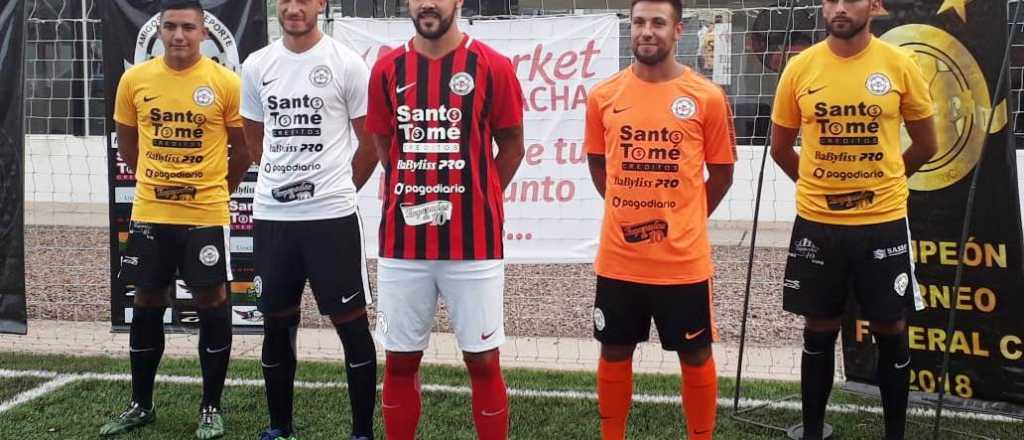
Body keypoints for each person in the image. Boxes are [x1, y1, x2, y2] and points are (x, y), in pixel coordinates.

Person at [770, 1, 938, 439]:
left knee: (890, 327)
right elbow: (781, 148)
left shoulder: (899, 65)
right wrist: (816, 188)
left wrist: (884, 183)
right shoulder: (801, 68)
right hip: (817, 224)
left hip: (881, 223)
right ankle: (812, 431)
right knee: (819, 327)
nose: (840, 8)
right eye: (831, 0)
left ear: (874, 6)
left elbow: (927, 143)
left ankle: (895, 433)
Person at [364, 0, 525, 437]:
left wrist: (478, 194)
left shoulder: (492, 66)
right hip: (402, 245)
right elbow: (384, 146)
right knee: (399, 361)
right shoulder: (386, 70)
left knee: (483, 360)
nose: (427, 3)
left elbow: (512, 145)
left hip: (474, 246)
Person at [584, 0, 736, 438]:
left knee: (695, 354)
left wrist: (686, 217)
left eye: (658, 22)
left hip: (682, 263)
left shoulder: (705, 96)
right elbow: (599, 164)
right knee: (614, 350)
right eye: (638, 22)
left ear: (678, 31)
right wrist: (622, 206)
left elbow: (722, 174)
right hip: (619, 260)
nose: (646, 31)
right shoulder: (604, 95)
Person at [101, 0, 250, 438]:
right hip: (150, 210)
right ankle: (140, 404)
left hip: (204, 212)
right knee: (146, 302)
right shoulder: (135, 80)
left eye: (188, 27)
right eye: (171, 27)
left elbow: (241, 151)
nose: (179, 35)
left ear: (204, 33)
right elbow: (127, 145)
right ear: (159, 31)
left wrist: (215, 188)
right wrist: (155, 179)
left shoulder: (225, 82)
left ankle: (210, 407)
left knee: (212, 302)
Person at [239, 0, 378, 439]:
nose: (294, 8)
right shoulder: (258, 64)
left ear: (320, 5)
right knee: (276, 322)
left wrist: (336, 190)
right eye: (286, 0)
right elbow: (252, 133)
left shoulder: (346, 63)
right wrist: (278, 182)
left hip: (331, 219)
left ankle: (361, 432)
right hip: (273, 218)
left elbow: (370, 143)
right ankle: (280, 427)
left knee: (351, 323)